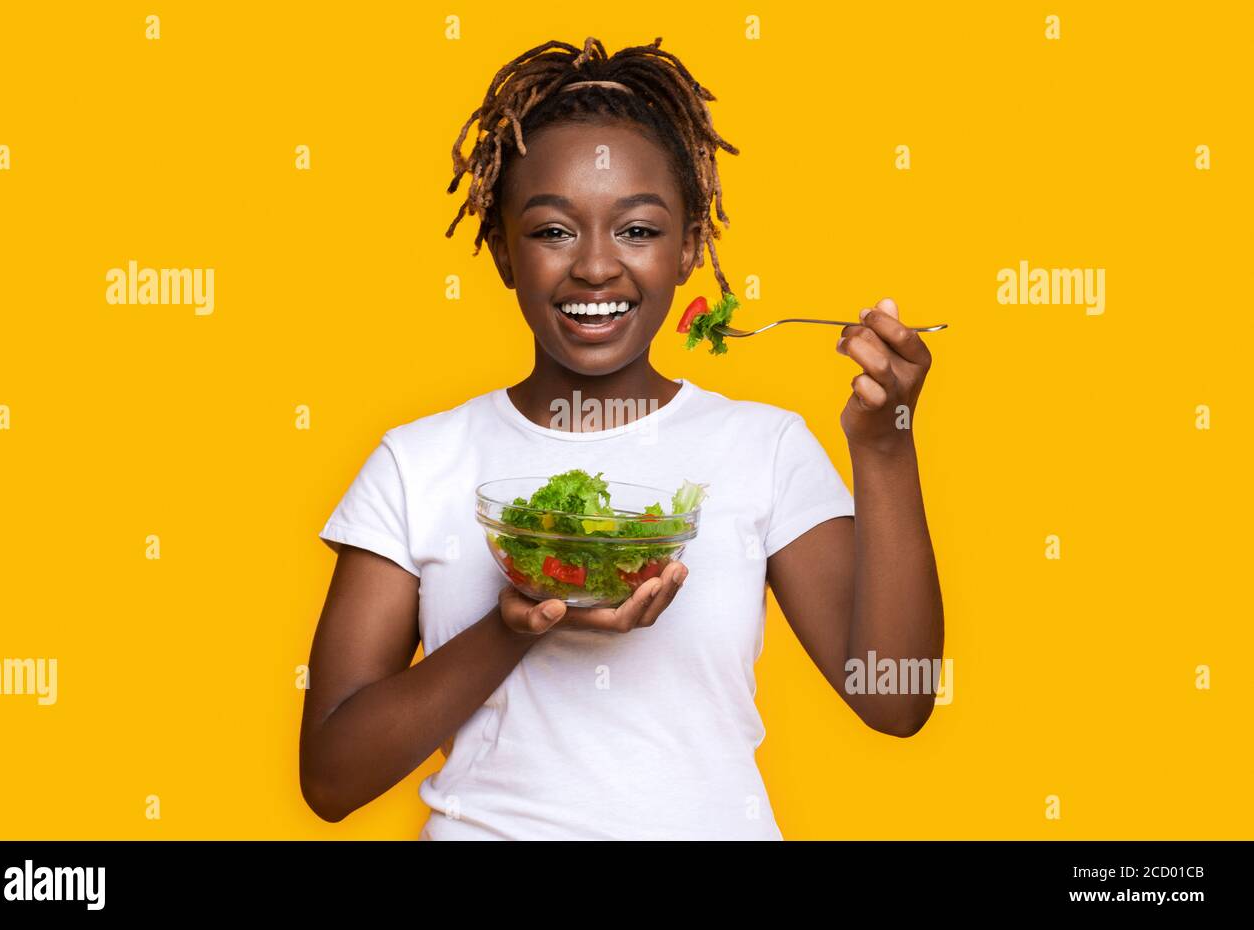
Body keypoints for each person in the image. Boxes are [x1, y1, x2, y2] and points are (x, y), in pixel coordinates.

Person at [299, 36, 943, 840]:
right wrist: (513, 625)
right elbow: (330, 777)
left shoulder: (762, 448)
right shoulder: (418, 464)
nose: (596, 267)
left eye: (637, 230)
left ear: (690, 248)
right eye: (553, 231)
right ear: (501, 249)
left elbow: (897, 698)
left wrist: (886, 450)